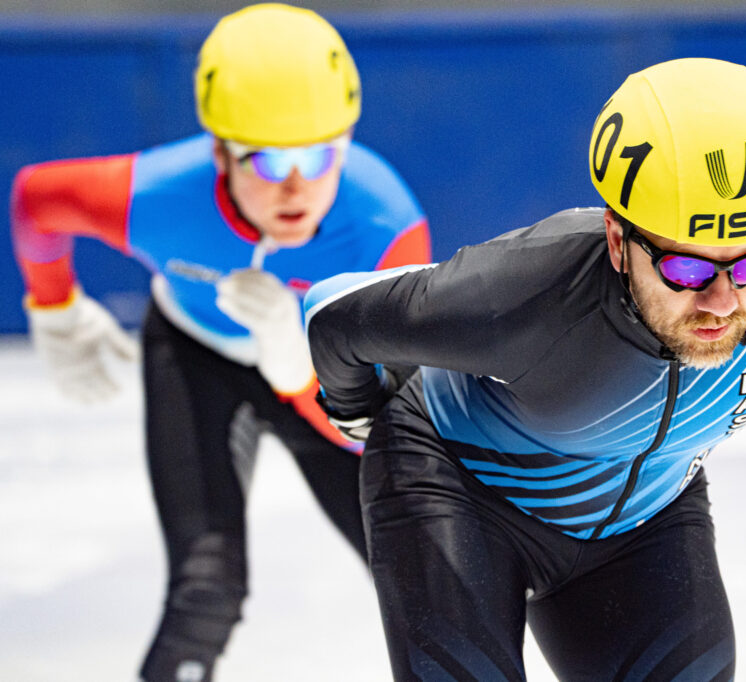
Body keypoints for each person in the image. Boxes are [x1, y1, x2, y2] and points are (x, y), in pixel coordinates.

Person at [305, 57, 746, 680]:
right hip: (457, 489)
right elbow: (335, 316)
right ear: (616, 239)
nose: (721, 302)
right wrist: (361, 413)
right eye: (686, 270)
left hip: (646, 519)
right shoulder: (527, 295)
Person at [9, 4, 430, 681]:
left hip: (326, 379)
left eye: (319, 154)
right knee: (205, 593)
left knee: (423, 576)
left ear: (348, 143)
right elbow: (36, 200)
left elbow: (373, 431)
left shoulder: (387, 228)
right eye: (267, 160)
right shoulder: (152, 197)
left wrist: (297, 367)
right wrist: (53, 305)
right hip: (195, 357)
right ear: (220, 151)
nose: (295, 186)